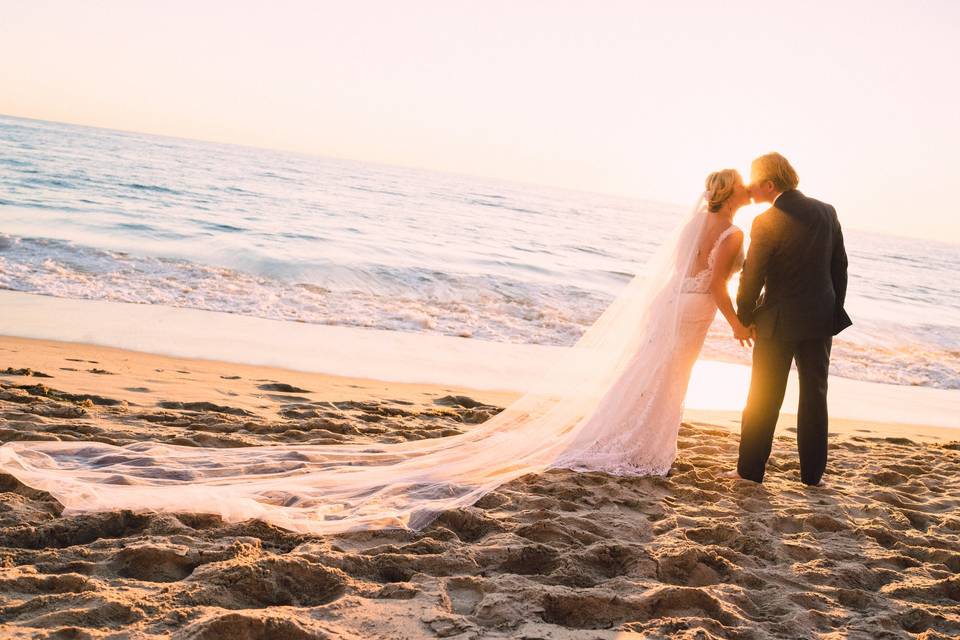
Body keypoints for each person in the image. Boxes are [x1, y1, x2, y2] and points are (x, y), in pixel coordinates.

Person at [730, 152, 851, 486]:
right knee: (815, 396)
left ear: (769, 184)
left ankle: (749, 473)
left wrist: (745, 315)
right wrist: (833, 311)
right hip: (819, 320)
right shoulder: (827, 212)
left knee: (764, 397)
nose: (751, 190)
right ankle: (813, 476)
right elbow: (839, 267)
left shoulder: (767, 220)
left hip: (777, 323)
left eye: (754, 183)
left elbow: (752, 274)